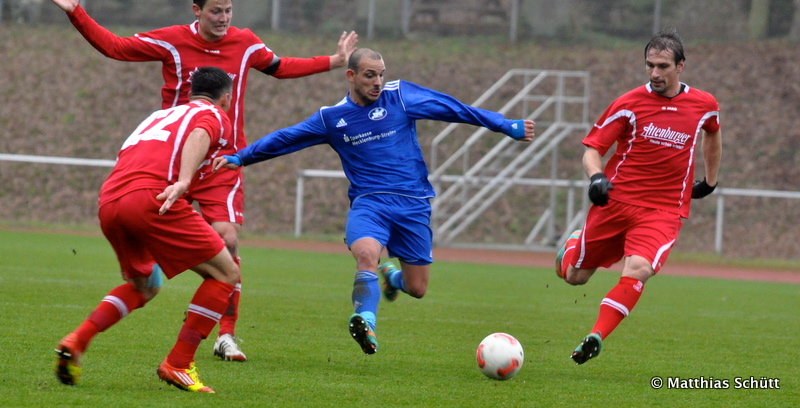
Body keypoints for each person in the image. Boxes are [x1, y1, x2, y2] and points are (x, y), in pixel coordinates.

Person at [49, 0, 358, 361]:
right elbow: (115, 47)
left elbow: (279, 66)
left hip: (221, 162)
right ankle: (143, 330)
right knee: (149, 277)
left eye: (229, 10)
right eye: (216, 11)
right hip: (171, 160)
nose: (224, 18)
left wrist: (334, 62)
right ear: (196, 9)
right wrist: (76, 12)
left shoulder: (245, 43)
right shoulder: (172, 41)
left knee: (227, 239)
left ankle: (225, 336)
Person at [213, 48, 536, 355]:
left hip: (414, 203)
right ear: (350, 75)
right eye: (369, 75)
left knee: (418, 288)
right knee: (367, 253)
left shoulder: (400, 96)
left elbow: (452, 108)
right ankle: (365, 321)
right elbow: (287, 138)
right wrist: (240, 157)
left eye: (381, 75)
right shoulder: (333, 119)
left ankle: (393, 279)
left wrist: (505, 124)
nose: (377, 82)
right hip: (370, 203)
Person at [54, 67, 240, 393]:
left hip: (111, 199)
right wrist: (183, 181)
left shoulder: (158, 116)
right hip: (151, 197)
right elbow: (200, 135)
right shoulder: (213, 113)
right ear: (225, 98)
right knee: (226, 273)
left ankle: (77, 340)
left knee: (145, 285)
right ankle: (178, 364)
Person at [554, 28, 722, 364]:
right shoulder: (629, 103)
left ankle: (596, 335)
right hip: (615, 203)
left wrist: (710, 181)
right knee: (575, 276)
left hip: (663, 210)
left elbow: (713, 134)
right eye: (650, 65)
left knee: (640, 268)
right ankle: (572, 245)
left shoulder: (704, 104)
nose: (655, 73)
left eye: (662, 66)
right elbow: (592, 148)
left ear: (681, 66)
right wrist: (596, 176)